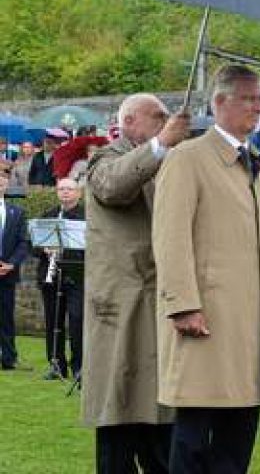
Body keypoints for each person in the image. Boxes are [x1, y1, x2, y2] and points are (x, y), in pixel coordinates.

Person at [153, 65, 260, 472]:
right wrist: (182, 304)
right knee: (193, 436)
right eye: (249, 98)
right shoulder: (188, 158)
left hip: (251, 323)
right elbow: (169, 237)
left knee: (238, 437)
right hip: (205, 319)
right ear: (220, 102)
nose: (258, 107)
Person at [83, 93, 188, 472]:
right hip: (119, 307)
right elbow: (113, 186)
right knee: (119, 411)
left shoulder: (166, 164)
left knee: (159, 416)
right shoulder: (103, 158)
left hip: (157, 302)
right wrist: (162, 144)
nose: (166, 121)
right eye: (157, 117)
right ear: (129, 121)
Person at [34, 177, 85, 381]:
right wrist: (44, 248)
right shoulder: (49, 216)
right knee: (53, 322)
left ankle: (79, 366)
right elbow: (33, 245)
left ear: (78, 193)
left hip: (76, 277)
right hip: (52, 277)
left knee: (77, 321)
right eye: (61, 189)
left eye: (69, 189)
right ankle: (56, 364)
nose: (65, 192)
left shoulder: (86, 217)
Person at [0, 167, 27, 372]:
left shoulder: (16, 212)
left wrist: (11, 264)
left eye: (2, 181)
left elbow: (23, 243)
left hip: (7, 272)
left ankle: (9, 359)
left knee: (7, 317)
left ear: (6, 185)